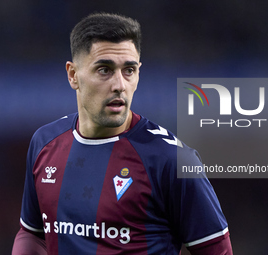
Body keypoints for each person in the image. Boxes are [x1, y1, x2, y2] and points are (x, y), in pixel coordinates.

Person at [12, 12, 233, 255]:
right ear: (73, 75)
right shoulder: (45, 142)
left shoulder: (172, 159)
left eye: (129, 70)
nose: (119, 84)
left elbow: (217, 250)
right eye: (104, 70)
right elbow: (32, 233)